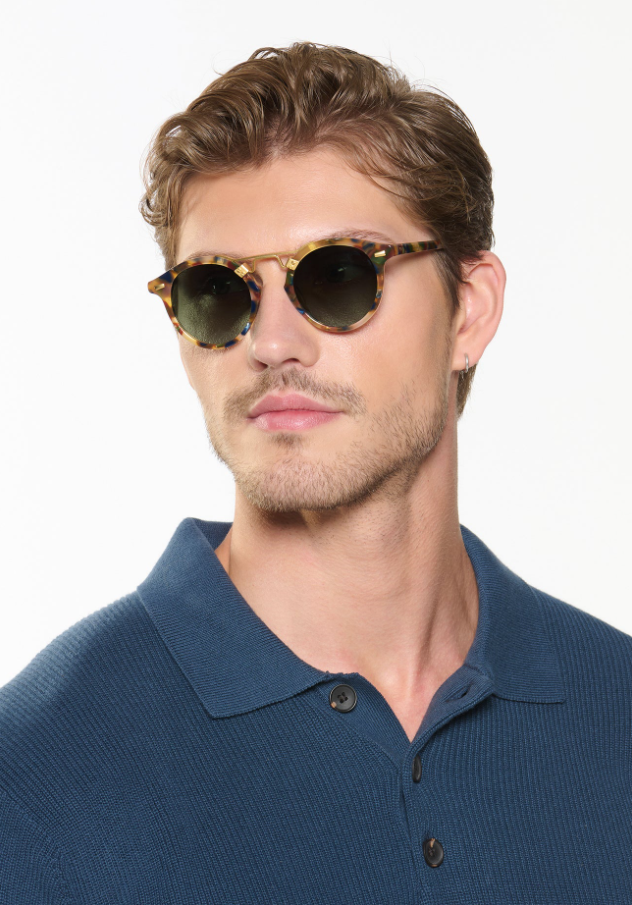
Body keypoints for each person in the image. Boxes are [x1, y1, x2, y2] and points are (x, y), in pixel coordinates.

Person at [1, 42, 630, 903]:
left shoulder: (615, 707)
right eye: (218, 290)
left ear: (468, 312)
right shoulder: (38, 778)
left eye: (338, 277)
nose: (271, 343)